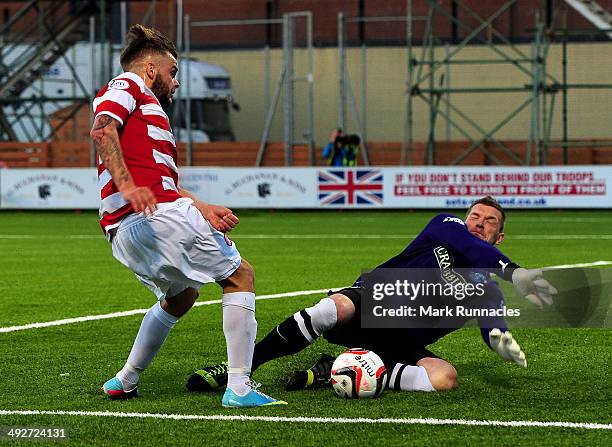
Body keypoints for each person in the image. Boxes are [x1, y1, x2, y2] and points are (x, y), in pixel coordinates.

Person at [90, 24, 285, 408]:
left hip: (125, 230)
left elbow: (164, 183)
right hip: (153, 216)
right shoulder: (127, 86)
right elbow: (101, 130)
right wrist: (128, 187)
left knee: (182, 297)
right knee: (240, 274)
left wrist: (203, 207)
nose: (176, 82)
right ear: (150, 70)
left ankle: (125, 380)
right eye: (172, 72)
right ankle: (240, 388)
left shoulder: (148, 113)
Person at [186, 196, 557, 394]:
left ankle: (336, 370)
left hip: (399, 343)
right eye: (476, 215)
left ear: (500, 237)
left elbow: (492, 324)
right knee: (331, 308)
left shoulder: (486, 288)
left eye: (490, 221)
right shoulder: (446, 226)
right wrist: (516, 272)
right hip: (371, 303)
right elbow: (471, 247)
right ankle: (241, 369)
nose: (480, 222)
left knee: (444, 379)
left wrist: (499, 340)